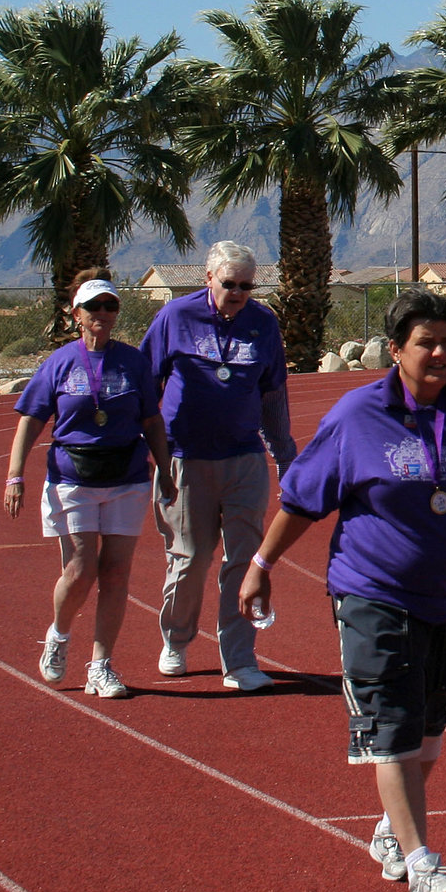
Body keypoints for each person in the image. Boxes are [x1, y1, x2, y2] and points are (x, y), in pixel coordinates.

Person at [239, 288, 446, 892]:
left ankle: (392, 832)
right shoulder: (357, 414)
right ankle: (422, 866)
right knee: (391, 723)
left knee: (430, 725)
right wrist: (261, 564)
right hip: (373, 592)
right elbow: (304, 499)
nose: (442, 353)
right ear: (396, 350)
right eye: (427, 343)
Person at [140, 241, 299, 691]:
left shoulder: (263, 323)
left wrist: (284, 456)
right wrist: (147, 450)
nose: (237, 293)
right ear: (208, 278)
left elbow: (273, 396)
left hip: (244, 457)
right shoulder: (175, 317)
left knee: (245, 560)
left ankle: (240, 659)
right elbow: (146, 382)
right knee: (189, 559)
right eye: (229, 284)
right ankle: (176, 639)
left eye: (247, 286)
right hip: (185, 459)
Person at [4, 272, 171, 698]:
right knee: (81, 569)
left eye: (110, 306)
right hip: (72, 478)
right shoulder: (60, 362)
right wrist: (15, 474)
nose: (103, 314)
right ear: (76, 314)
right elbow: (31, 420)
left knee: (115, 574)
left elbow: (151, 420)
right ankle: (59, 636)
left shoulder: (134, 362)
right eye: (94, 307)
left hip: (127, 477)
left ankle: (102, 665)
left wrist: (167, 471)